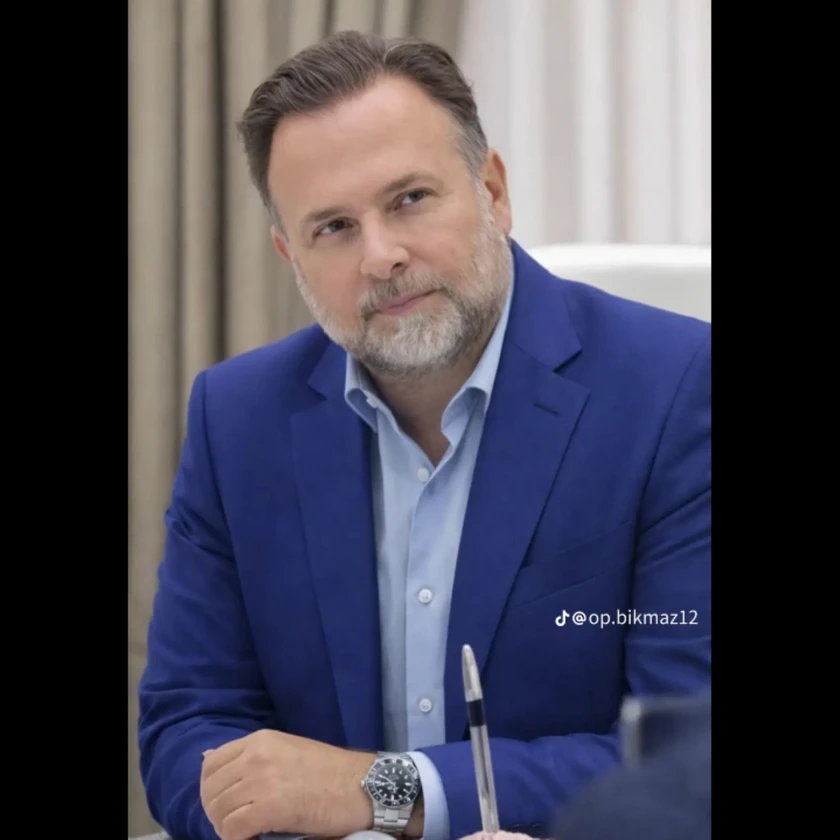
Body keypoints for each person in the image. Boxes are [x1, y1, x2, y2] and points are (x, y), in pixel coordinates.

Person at [137, 29, 711, 840]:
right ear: (289, 255)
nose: (381, 255)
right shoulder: (236, 419)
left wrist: (380, 790)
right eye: (333, 227)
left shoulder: (676, 389)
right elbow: (186, 729)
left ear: (493, 191)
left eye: (409, 198)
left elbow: (684, 756)